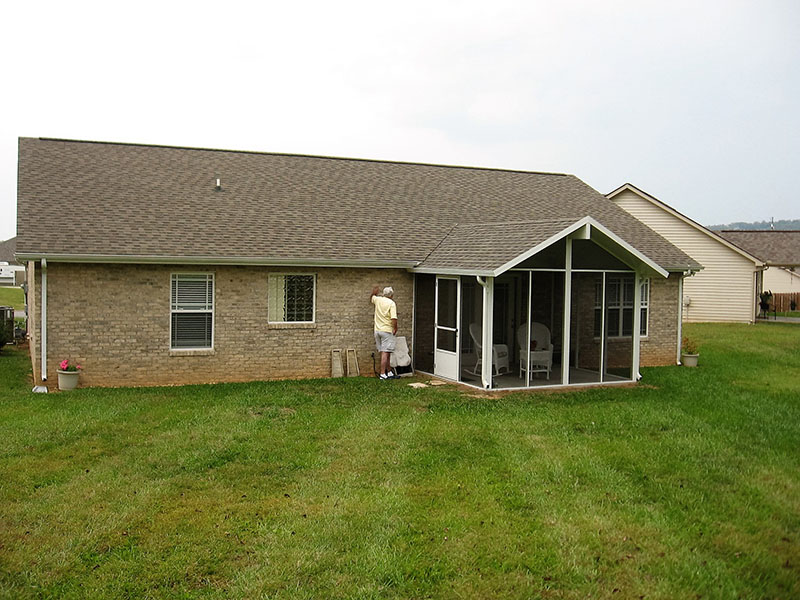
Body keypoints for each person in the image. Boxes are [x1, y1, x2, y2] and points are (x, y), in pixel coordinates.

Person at [370, 285, 398, 380]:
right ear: (391, 295)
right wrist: (395, 328)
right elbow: (393, 318)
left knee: (386, 351)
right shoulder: (391, 303)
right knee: (385, 352)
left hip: (377, 330)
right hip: (387, 331)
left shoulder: (378, 300)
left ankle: (389, 372)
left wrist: (374, 292)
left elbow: (372, 297)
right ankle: (382, 374)